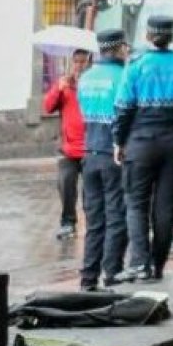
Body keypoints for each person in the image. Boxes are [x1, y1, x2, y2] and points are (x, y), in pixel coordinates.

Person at [113, 15, 173, 283]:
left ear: (148, 35)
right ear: (170, 36)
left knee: (136, 204)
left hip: (141, 142)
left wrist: (119, 141)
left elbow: (123, 108)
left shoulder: (136, 64)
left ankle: (140, 264)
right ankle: (158, 265)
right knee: (166, 206)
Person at [76, 29, 130, 292]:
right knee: (117, 216)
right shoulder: (124, 76)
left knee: (94, 221)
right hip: (114, 154)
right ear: (119, 48)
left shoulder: (86, 78)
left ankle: (88, 278)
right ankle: (112, 273)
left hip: (90, 154)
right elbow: (127, 113)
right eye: (125, 47)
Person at [43, 48, 89, 240]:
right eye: (76, 61)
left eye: (83, 61)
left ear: (89, 63)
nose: (79, 65)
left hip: (90, 148)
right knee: (65, 183)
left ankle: (93, 223)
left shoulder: (94, 84)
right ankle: (68, 223)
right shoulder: (63, 84)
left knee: (91, 190)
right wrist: (58, 89)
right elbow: (47, 107)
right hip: (69, 149)